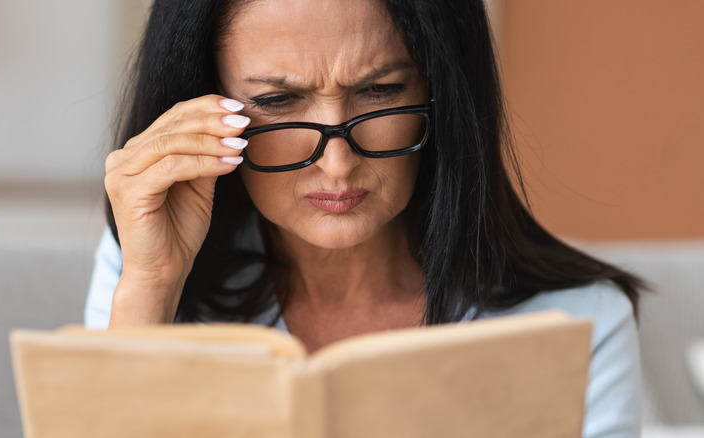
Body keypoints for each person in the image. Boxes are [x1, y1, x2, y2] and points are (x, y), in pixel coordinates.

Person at [85, 0, 644, 436]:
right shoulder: (144, 272)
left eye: (379, 92)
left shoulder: (580, 323)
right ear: (202, 107)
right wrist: (150, 288)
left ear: (441, 93)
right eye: (279, 102)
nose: (337, 162)